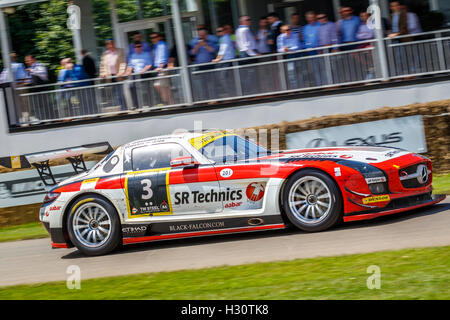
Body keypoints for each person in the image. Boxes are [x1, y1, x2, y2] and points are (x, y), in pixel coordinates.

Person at [99, 39, 127, 110]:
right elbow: (102, 65)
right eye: (108, 44)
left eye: (112, 43)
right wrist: (102, 73)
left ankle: (124, 108)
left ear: (114, 43)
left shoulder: (120, 51)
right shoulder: (105, 54)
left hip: (118, 75)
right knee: (115, 94)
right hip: (110, 76)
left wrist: (121, 72)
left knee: (120, 93)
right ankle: (119, 108)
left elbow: (123, 63)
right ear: (107, 45)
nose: (110, 45)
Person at [126, 41, 153, 109]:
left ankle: (150, 104)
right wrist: (128, 71)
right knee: (131, 87)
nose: (138, 48)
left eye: (139, 46)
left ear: (142, 47)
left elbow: (149, 64)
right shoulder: (132, 56)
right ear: (134, 48)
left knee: (146, 88)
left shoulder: (146, 54)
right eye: (136, 47)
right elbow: (130, 66)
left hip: (144, 74)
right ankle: (136, 105)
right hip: (135, 75)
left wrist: (143, 70)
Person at [150, 32, 173, 106]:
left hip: (162, 68)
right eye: (152, 38)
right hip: (158, 69)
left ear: (158, 37)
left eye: (155, 37)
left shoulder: (162, 45)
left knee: (162, 86)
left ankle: (168, 103)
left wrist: (161, 66)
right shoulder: (155, 46)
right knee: (163, 86)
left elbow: (163, 57)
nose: (153, 39)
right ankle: (170, 103)